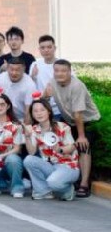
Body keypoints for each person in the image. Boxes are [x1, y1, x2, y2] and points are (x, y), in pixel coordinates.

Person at [44, 59, 102, 198]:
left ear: (70, 72)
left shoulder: (77, 86)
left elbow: (78, 114)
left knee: (83, 147)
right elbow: (42, 102)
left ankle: (84, 184)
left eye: (63, 71)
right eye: (57, 71)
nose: (60, 74)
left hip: (88, 121)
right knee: (63, 146)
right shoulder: (52, 82)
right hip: (69, 120)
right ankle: (68, 177)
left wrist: (81, 136)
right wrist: (45, 96)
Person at [23, 99, 79, 201]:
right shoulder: (34, 130)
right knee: (29, 160)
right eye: (35, 111)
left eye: (42, 110)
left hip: (68, 165)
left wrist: (60, 149)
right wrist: (27, 136)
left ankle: (68, 190)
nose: (39, 113)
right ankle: (43, 191)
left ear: (49, 111)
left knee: (53, 182)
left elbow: (72, 147)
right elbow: (31, 152)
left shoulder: (62, 126)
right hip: (50, 165)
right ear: (32, 114)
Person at [0, 57, 37, 122]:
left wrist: (25, 126)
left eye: (17, 70)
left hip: (21, 118)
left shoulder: (30, 84)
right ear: (7, 68)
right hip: (2, 116)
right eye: (11, 69)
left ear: (24, 69)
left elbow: (28, 111)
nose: (14, 73)